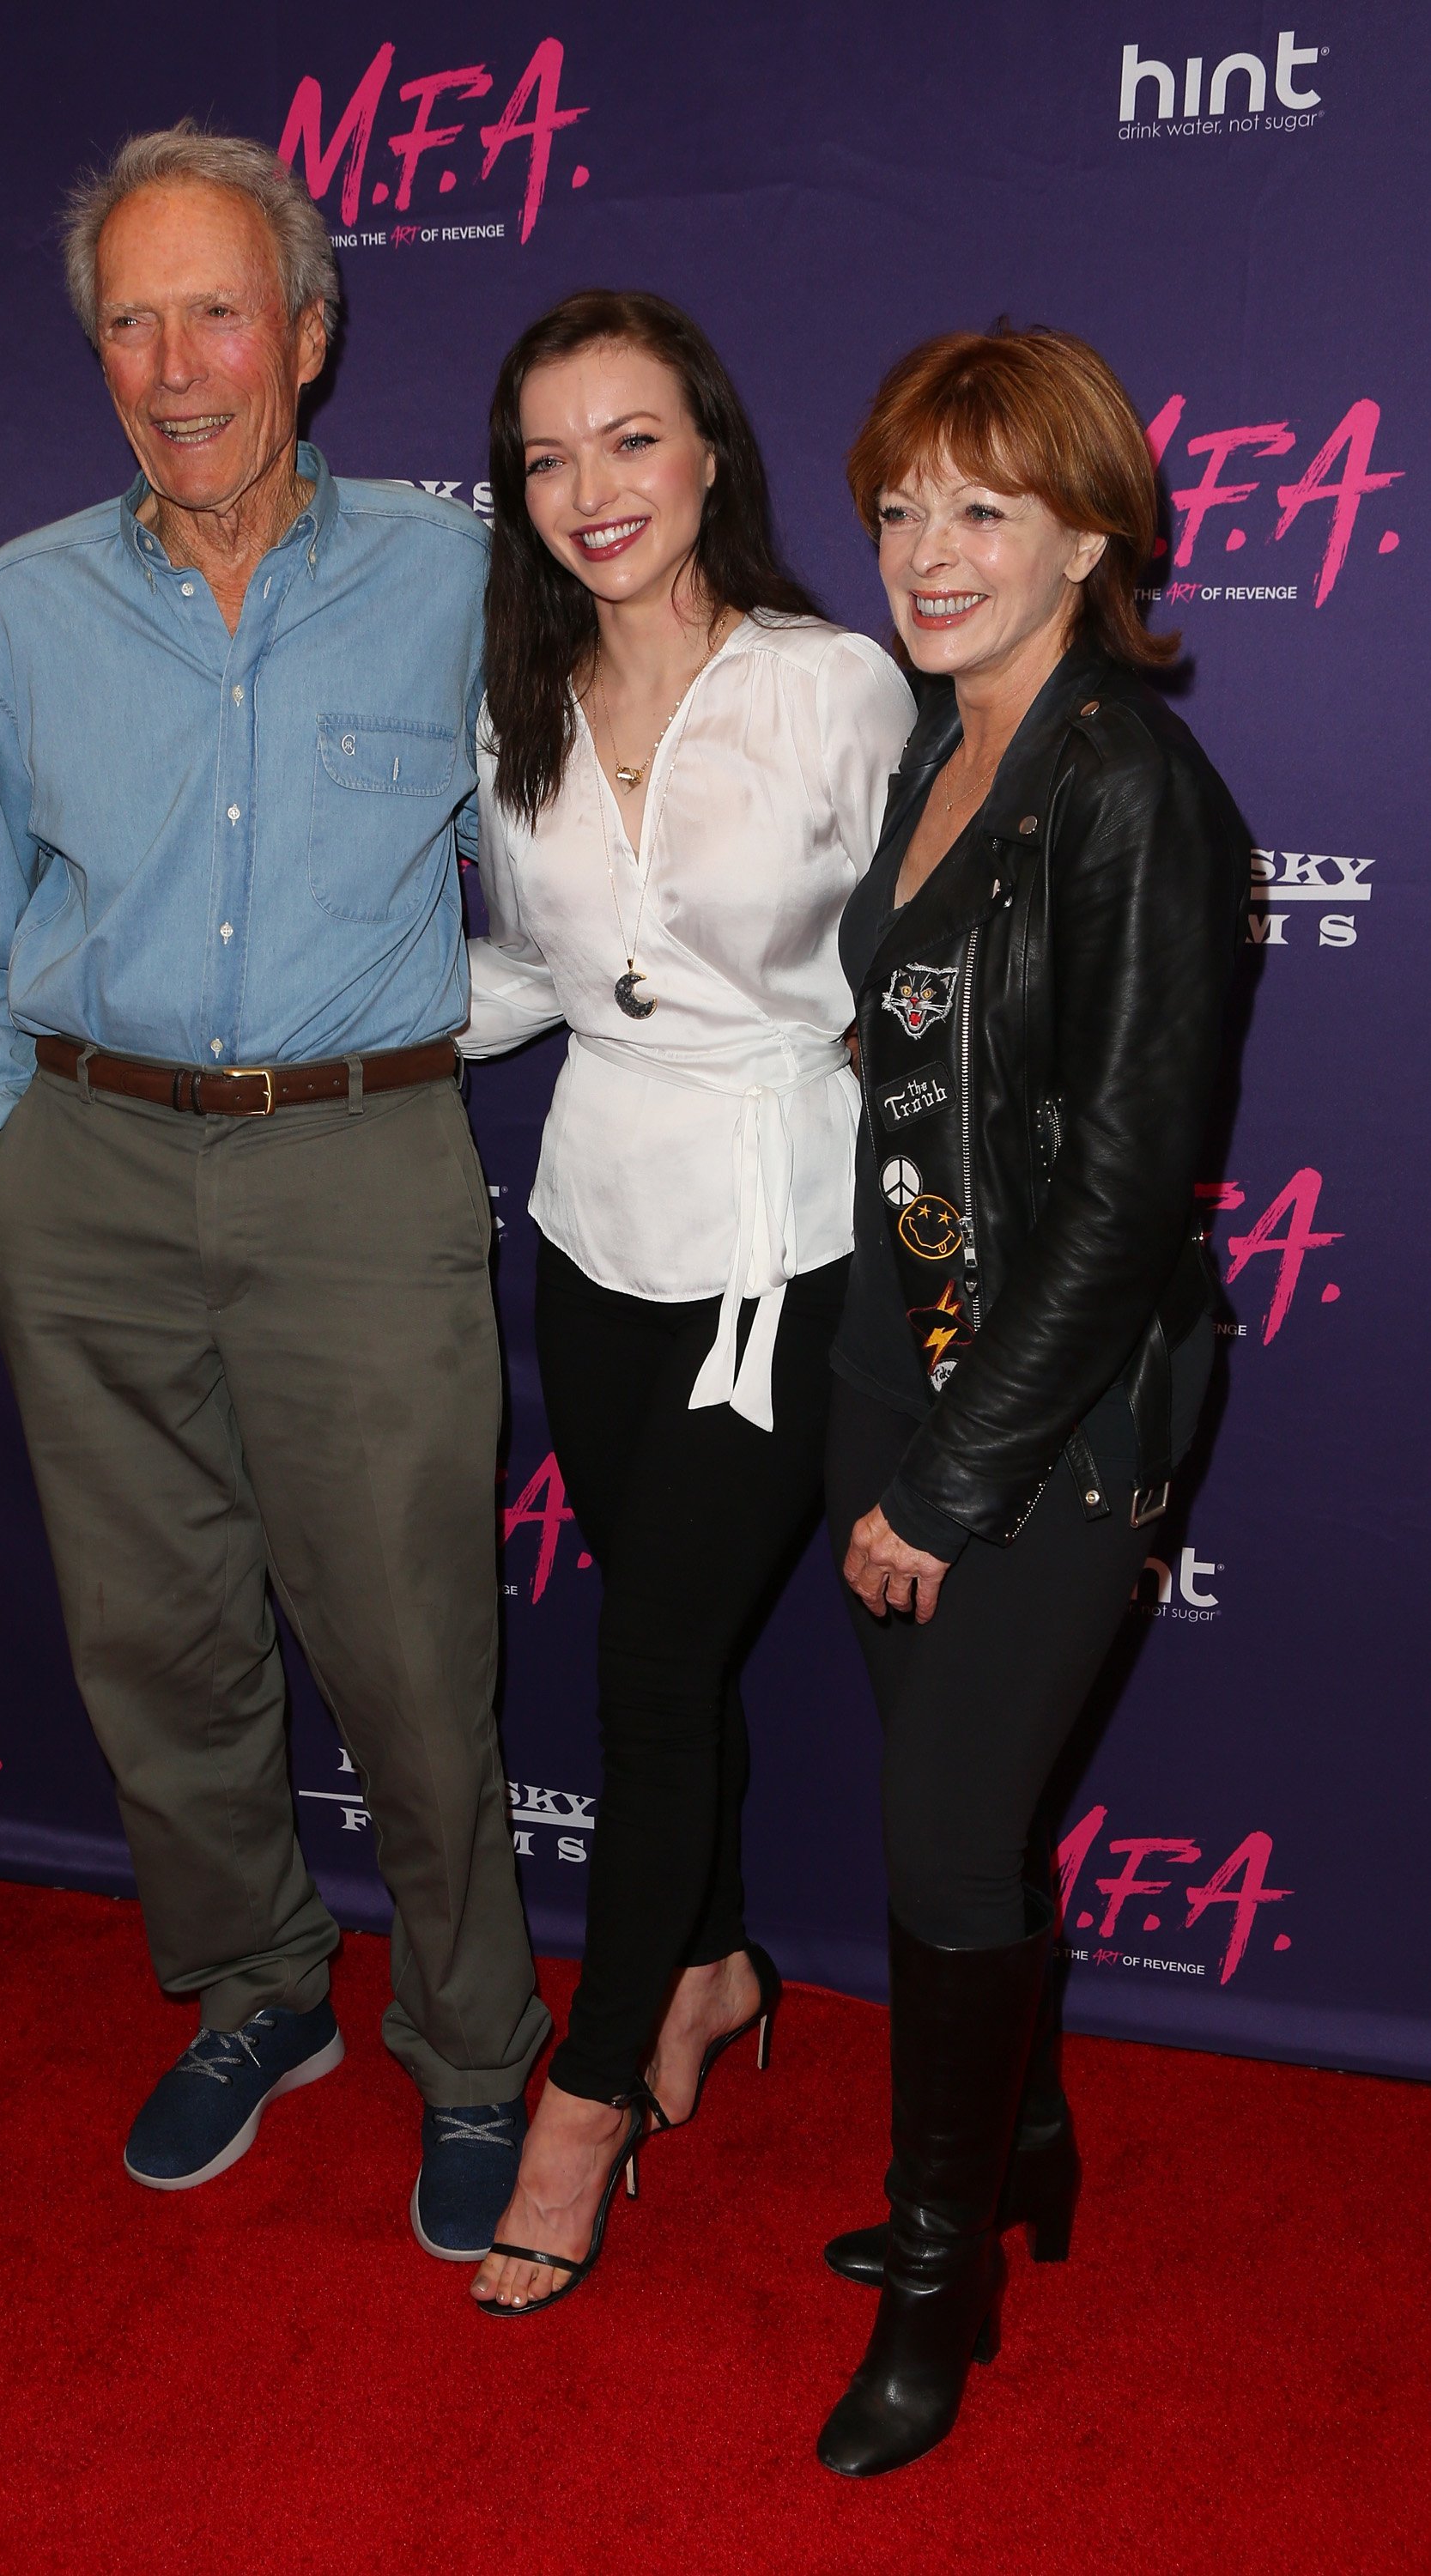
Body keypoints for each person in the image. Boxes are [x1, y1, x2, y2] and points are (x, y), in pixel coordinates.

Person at [0, 122, 550, 2261]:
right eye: (130, 317)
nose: (175, 363)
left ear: (305, 329)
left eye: (216, 309)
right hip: (83, 1167)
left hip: (359, 1168)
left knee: (404, 1643)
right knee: (157, 1639)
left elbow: (591, 844)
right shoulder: (20, 602)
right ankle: (257, 1991)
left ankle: (473, 2055)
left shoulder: (459, 575)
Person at [814, 325, 1248, 2475]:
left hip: (1049, 1412)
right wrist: (869, 1420)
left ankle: (937, 2266)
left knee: (940, 1836)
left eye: (981, 507)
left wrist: (954, 1478)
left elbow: (1113, 1192)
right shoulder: (934, 745)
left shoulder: (1131, 790)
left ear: (1089, 531)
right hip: (886, 1369)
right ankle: (1025, 2143)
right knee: (955, 1821)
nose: (927, 549)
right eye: (900, 504)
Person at [456, 291, 913, 2315]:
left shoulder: (834, 687)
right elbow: (543, 978)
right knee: (663, 1668)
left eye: (626, 441)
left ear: (708, 450)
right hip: (590, 1232)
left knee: (643, 1683)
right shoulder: (519, 699)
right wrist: (310, 1033)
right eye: (547, 457)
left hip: (779, 1251)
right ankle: (712, 1966)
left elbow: (919, 981)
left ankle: (583, 2098)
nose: (588, 492)